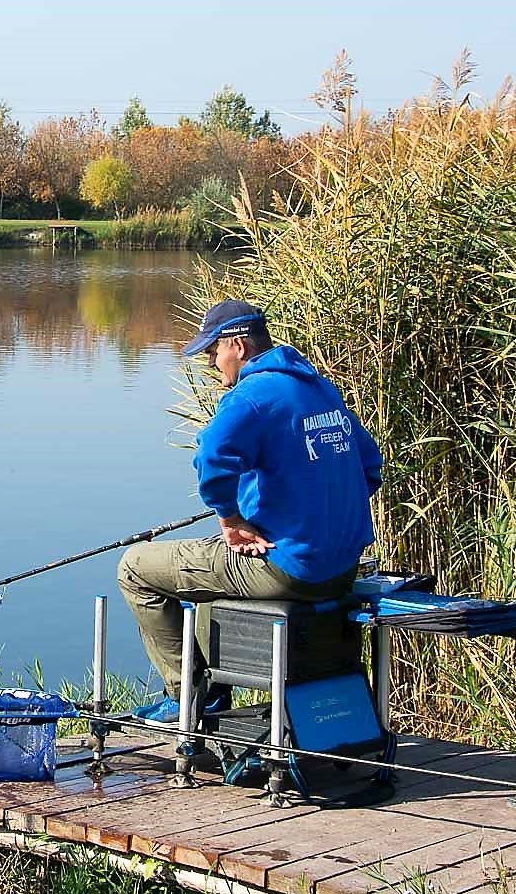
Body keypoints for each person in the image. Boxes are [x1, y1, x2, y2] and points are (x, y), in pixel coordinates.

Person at [119, 299, 383, 723]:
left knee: (135, 567)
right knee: (205, 569)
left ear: (238, 346)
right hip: (341, 568)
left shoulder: (251, 396)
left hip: (288, 569)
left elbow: (211, 458)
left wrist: (229, 517)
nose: (211, 363)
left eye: (212, 352)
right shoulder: (319, 390)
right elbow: (370, 467)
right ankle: (210, 688)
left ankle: (186, 695)